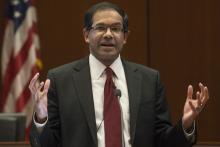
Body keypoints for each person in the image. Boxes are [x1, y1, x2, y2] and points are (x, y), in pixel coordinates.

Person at [29, 2, 209, 147]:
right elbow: (45, 144)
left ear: (125, 36)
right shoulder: (61, 80)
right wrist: (41, 118)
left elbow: (163, 141)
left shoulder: (149, 79)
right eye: (100, 28)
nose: (108, 34)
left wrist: (185, 125)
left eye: (116, 29)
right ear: (86, 34)